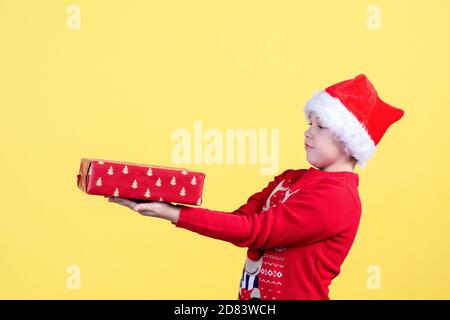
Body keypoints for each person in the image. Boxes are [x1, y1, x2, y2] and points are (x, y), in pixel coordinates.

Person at [106, 74, 405, 300]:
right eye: (309, 124)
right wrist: (166, 197)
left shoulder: (338, 198)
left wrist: (174, 215)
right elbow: (240, 221)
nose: (308, 133)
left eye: (320, 126)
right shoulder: (290, 178)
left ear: (348, 139)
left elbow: (255, 231)